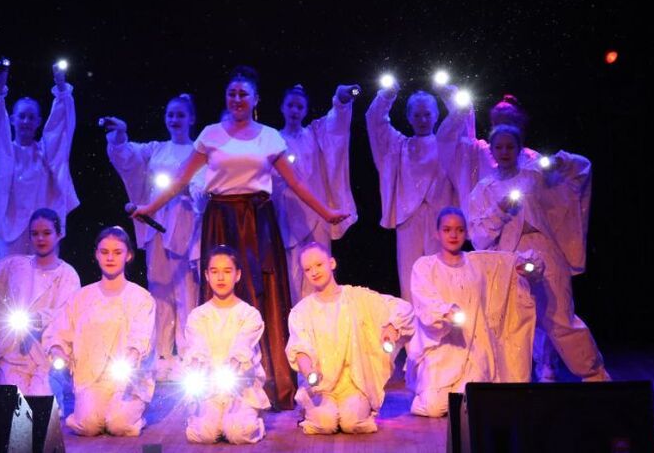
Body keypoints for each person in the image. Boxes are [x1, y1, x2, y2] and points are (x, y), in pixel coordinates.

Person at [131, 66, 348, 409]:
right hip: (221, 219)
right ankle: (217, 385)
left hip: (257, 219)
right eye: (231, 94)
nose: (237, 99)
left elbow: (295, 182)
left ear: (256, 99)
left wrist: (326, 211)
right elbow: (180, 179)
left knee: (263, 292)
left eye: (243, 94)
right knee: (221, 289)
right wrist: (150, 207)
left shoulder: (269, 137)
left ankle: (271, 383)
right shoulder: (211, 134)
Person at [466, 125, 609, 382]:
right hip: (509, 256)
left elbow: (581, 169)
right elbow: (478, 237)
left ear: (519, 149)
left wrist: (561, 161)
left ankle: (594, 374)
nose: (505, 152)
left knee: (560, 317)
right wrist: (499, 211)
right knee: (511, 320)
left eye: (510, 147)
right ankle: (510, 380)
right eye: (499, 147)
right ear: (492, 151)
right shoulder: (483, 189)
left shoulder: (534, 177)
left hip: (545, 250)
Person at [103, 94, 205, 378]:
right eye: (171, 114)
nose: (174, 119)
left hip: (185, 225)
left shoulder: (198, 152)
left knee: (186, 290)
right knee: (159, 288)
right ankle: (161, 354)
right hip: (157, 224)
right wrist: (120, 135)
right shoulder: (157, 149)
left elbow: (203, 186)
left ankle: (188, 354)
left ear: (191, 119)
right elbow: (128, 159)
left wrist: (192, 189)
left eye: (180, 115)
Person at [406, 207, 538, 417]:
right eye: (447, 230)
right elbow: (425, 301)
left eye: (459, 230)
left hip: (474, 347)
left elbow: (509, 263)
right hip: (442, 348)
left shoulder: (478, 262)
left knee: (472, 401)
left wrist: (526, 265)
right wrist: (446, 312)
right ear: (437, 233)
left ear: (466, 233)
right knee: (434, 407)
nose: (453, 235)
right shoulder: (425, 266)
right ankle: (427, 391)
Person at [286, 242, 414, 434]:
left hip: (354, 383)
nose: (314, 272)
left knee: (351, 422)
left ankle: (357, 406)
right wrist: (309, 371)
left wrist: (390, 326)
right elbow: (300, 347)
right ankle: (316, 411)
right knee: (326, 424)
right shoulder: (302, 311)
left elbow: (400, 308)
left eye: (319, 265)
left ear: (331, 263)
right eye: (308, 269)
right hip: (322, 386)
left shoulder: (356, 297)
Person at [43, 227, 155, 437]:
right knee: (89, 426)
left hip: (127, 381)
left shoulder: (141, 298)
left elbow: (142, 336)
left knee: (118, 425)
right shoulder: (81, 297)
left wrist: (132, 356)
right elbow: (59, 330)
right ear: (96, 254)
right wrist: (58, 350)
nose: (110, 258)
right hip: (92, 379)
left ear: (128, 255)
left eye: (117, 252)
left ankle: (133, 414)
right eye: (104, 252)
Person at [365, 84, 468, 302]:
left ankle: (444, 317)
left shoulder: (448, 143)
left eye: (427, 114)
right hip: (408, 217)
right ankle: (412, 321)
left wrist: (449, 95)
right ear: (409, 117)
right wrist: (387, 96)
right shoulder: (400, 146)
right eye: (417, 115)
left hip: (441, 218)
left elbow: (463, 118)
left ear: (437, 115)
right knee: (410, 275)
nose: (423, 119)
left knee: (442, 271)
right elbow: (375, 121)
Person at [0, 208, 80, 397]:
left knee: (42, 400)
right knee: (12, 401)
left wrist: (38, 318)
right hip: (14, 354)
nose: (40, 239)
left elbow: (67, 313)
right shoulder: (16, 265)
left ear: (59, 234)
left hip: (47, 356)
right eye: (35, 234)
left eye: (46, 233)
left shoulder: (67, 275)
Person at [0, 60, 79, 258]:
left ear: (39, 122)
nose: (26, 121)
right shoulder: (3, 154)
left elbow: (62, 127)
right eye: (22, 116)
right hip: (10, 234)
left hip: (43, 233)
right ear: (12, 119)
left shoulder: (47, 155)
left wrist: (61, 88)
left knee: (44, 275)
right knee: (11, 275)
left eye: (31, 117)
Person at [273, 83, 359, 302]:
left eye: (299, 107)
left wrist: (341, 99)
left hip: (317, 215)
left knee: (320, 271)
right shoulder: (274, 140)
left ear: (305, 110)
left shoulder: (314, 134)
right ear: (282, 108)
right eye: (290, 105)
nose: (294, 110)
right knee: (293, 275)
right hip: (288, 216)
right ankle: (297, 318)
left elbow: (336, 125)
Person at [182, 245, 270, 444]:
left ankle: (252, 420)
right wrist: (197, 367)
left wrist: (233, 366)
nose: (220, 278)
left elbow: (243, 345)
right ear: (207, 275)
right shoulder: (198, 315)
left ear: (237, 275)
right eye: (214, 272)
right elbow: (197, 346)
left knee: (238, 434)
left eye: (227, 271)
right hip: (210, 390)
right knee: (205, 435)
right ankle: (207, 418)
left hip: (241, 390)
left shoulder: (249, 314)